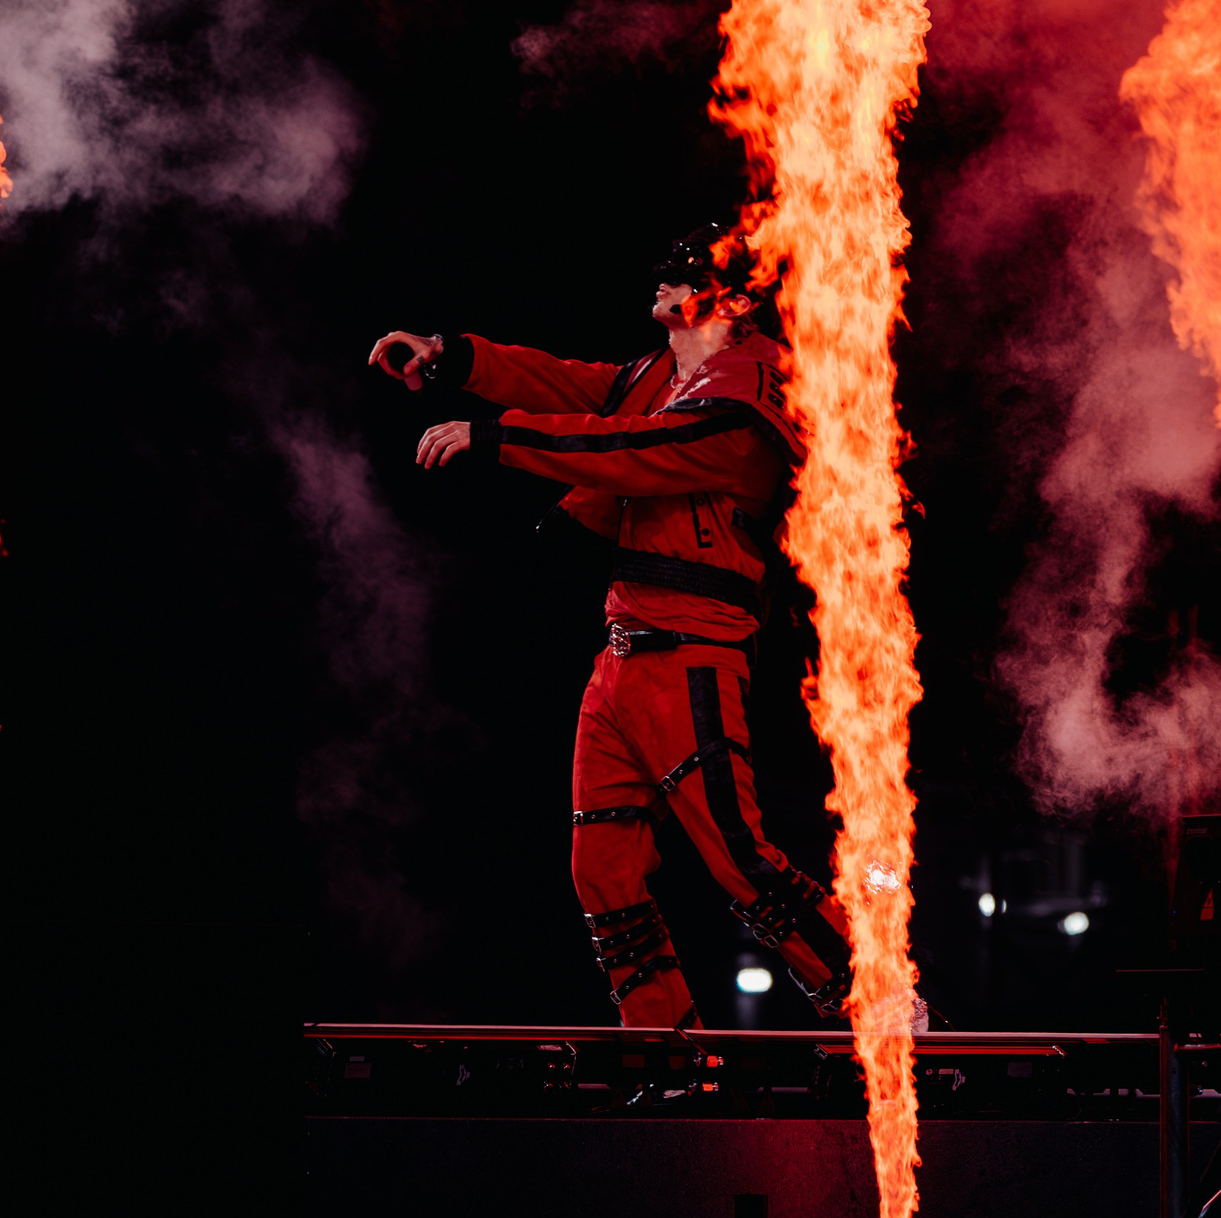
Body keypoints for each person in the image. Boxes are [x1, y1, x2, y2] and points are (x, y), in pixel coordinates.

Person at [367, 227, 866, 1031]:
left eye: (691, 273)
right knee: (600, 869)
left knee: (739, 860)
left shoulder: (751, 391)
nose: (668, 278)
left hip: (693, 651)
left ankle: (877, 1004)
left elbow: (637, 450)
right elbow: (564, 380)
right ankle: (664, 1048)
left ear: (732, 297)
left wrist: (499, 440)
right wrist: (449, 356)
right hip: (624, 653)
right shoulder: (656, 377)